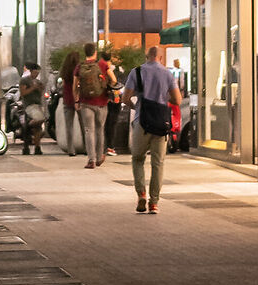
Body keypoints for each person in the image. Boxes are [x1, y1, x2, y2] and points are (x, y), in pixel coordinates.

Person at [124, 51, 181, 215]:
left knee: (137, 158)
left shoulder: (136, 72)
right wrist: (163, 98)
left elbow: (125, 99)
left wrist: (137, 106)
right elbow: (177, 100)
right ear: (160, 58)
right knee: (158, 163)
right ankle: (154, 203)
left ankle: (141, 193)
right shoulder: (167, 73)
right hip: (161, 124)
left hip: (142, 122)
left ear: (146, 57)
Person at [72, 43, 111, 168]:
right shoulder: (103, 65)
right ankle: (100, 157)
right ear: (95, 52)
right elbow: (114, 79)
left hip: (86, 102)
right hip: (102, 103)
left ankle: (91, 160)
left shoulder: (80, 66)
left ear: (85, 52)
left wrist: (76, 101)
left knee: (89, 131)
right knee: (100, 129)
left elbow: (74, 86)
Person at [18, 64, 45, 153]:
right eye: (35, 72)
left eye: (37, 73)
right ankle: (29, 125)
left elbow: (40, 94)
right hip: (29, 105)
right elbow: (23, 93)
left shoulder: (38, 81)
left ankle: (37, 147)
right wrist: (33, 88)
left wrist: (40, 88)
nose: (36, 74)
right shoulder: (25, 80)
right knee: (39, 119)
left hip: (37, 105)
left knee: (38, 127)